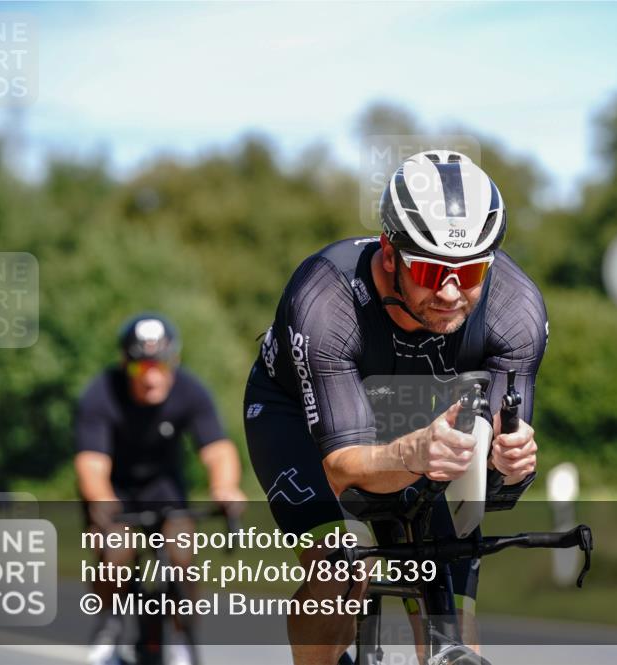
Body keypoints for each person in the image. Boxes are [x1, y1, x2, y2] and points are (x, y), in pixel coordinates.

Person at [244, 151, 546, 665]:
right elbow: (340, 468)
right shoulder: (326, 297)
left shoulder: (514, 310)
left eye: (472, 270)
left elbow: (495, 489)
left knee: (454, 616)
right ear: (390, 253)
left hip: (424, 421)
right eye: (431, 270)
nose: (452, 292)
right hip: (301, 417)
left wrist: (507, 465)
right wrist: (411, 453)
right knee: (338, 569)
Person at [75, 312, 247, 665]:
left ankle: (183, 634)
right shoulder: (101, 393)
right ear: (125, 363)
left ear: (175, 361)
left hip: (165, 491)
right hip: (116, 491)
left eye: (161, 366)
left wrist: (225, 487)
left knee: (182, 551)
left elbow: (217, 449)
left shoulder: (191, 390)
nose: (152, 377)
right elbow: (91, 463)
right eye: (141, 368)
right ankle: (109, 622)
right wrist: (103, 503)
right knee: (117, 551)